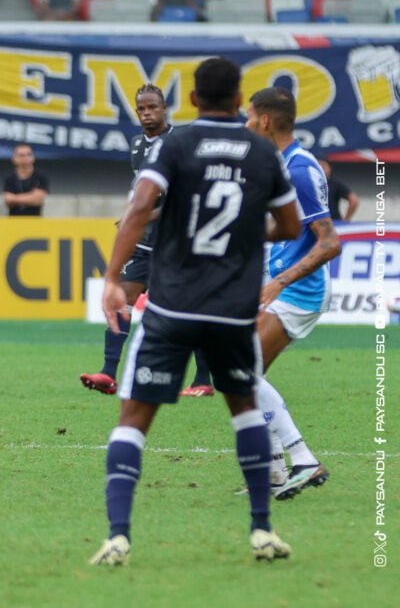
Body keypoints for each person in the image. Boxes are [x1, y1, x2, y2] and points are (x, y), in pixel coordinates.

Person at [91, 56, 301, 566]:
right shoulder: (260, 151)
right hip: (232, 308)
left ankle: (118, 535)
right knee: (245, 409)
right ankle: (260, 530)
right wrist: (246, 232)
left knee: (133, 417)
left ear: (189, 101)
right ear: (238, 101)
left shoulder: (175, 145)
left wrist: (114, 278)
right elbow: (292, 227)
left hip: (172, 303)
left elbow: (139, 208)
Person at [80, 85, 213, 397]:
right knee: (120, 302)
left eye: (152, 107)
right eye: (141, 109)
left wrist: (143, 217)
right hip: (144, 244)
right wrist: (129, 214)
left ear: (164, 108)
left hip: (178, 242)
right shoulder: (138, 144)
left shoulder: (179, 141)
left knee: (190, 310)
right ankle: (108, 374)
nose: (147, 113)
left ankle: (203, 380)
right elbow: (141, 189)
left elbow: (188, 193)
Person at [245, 88, 341, 499]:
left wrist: (280, 281)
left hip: (300, 291)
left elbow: (329, 241)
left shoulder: (300, 169)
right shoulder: (276, 164)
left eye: (250, 117)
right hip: (276, 285)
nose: (246, 125)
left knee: (241, 373)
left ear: (265, 121)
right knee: (244, 377)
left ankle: (303, 461)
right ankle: (275, 476)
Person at [2, 144, 48, 216]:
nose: (25, 158)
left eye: (28, 154)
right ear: (14, 158)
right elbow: (8, 200)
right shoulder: (9, 178)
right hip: (14, 222)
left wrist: (15, 198)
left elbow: (37, 200)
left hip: (35, 221)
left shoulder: (40, 177)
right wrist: (30, 197)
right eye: (21, 155)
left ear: (33, 157)